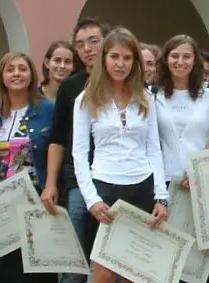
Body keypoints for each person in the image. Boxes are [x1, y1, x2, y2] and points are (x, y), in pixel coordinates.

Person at [72, 27, 168, 283]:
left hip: (142, 188)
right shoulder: (85, 99)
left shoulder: (146, 97)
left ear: (135, 62)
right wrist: (91, 200)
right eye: (115, 56)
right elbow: (79, 154)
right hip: (105, 190)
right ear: (104, 58)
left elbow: (154, 148)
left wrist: (161, 196)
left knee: (134, 272)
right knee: (103, 272)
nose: (121, 63)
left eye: (127, 58)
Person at [0, 51, 56, 283]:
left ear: (32, 75)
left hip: (35, 204)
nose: (16, 74)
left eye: (22, 68)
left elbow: (58, 150)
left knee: (36, 273)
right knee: (0, 272)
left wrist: (52, 186)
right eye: (10, 69)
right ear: (1, 76)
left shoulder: (49, 111)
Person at [40, 17, 109, 283]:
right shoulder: (70, 86)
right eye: (80, 44)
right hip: (76, 179)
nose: (87, 49)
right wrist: (50, 183)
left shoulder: (126, 82)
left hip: (118, 178)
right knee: (74, 263)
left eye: (93, 41)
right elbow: (57, 139)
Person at [155, 35, 208, 190]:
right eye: (174, 56)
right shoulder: (154, 96)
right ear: (166, 59)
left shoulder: (207, 96)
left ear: (195, 61)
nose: (180, 62)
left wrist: (197, 172)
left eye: (186, 57)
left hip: (202, 180)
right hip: (164, 180)